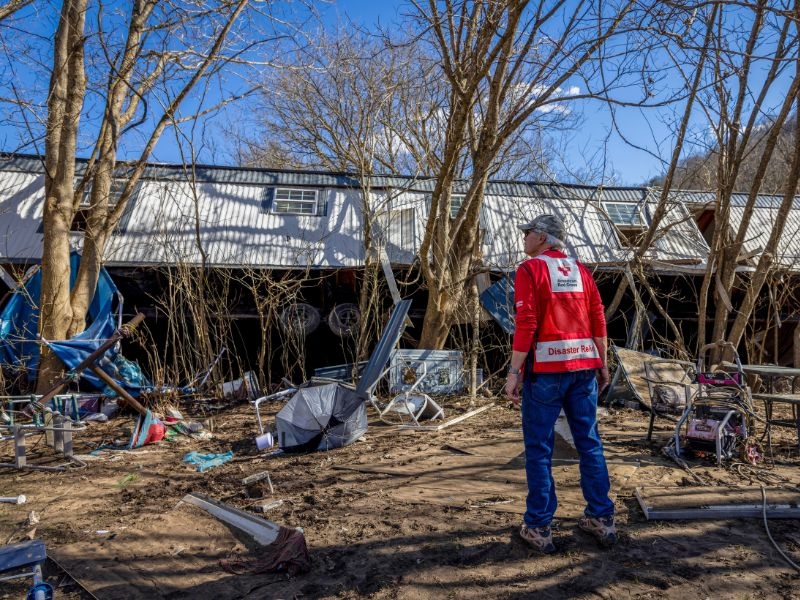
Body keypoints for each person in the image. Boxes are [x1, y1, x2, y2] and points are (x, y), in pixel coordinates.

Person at [504, 214, 617, 554]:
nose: (523, 238)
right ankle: (602, 517)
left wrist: (513, 372)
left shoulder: (529, 270)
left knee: (539, 449)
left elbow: (526, 322)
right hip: (584, 367)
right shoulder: (581, 271)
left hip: (546, 372)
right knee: (589, 443)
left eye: (527, 233)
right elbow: (598, 316)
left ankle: (538, 526)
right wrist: (602, 360)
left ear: (542, 237)